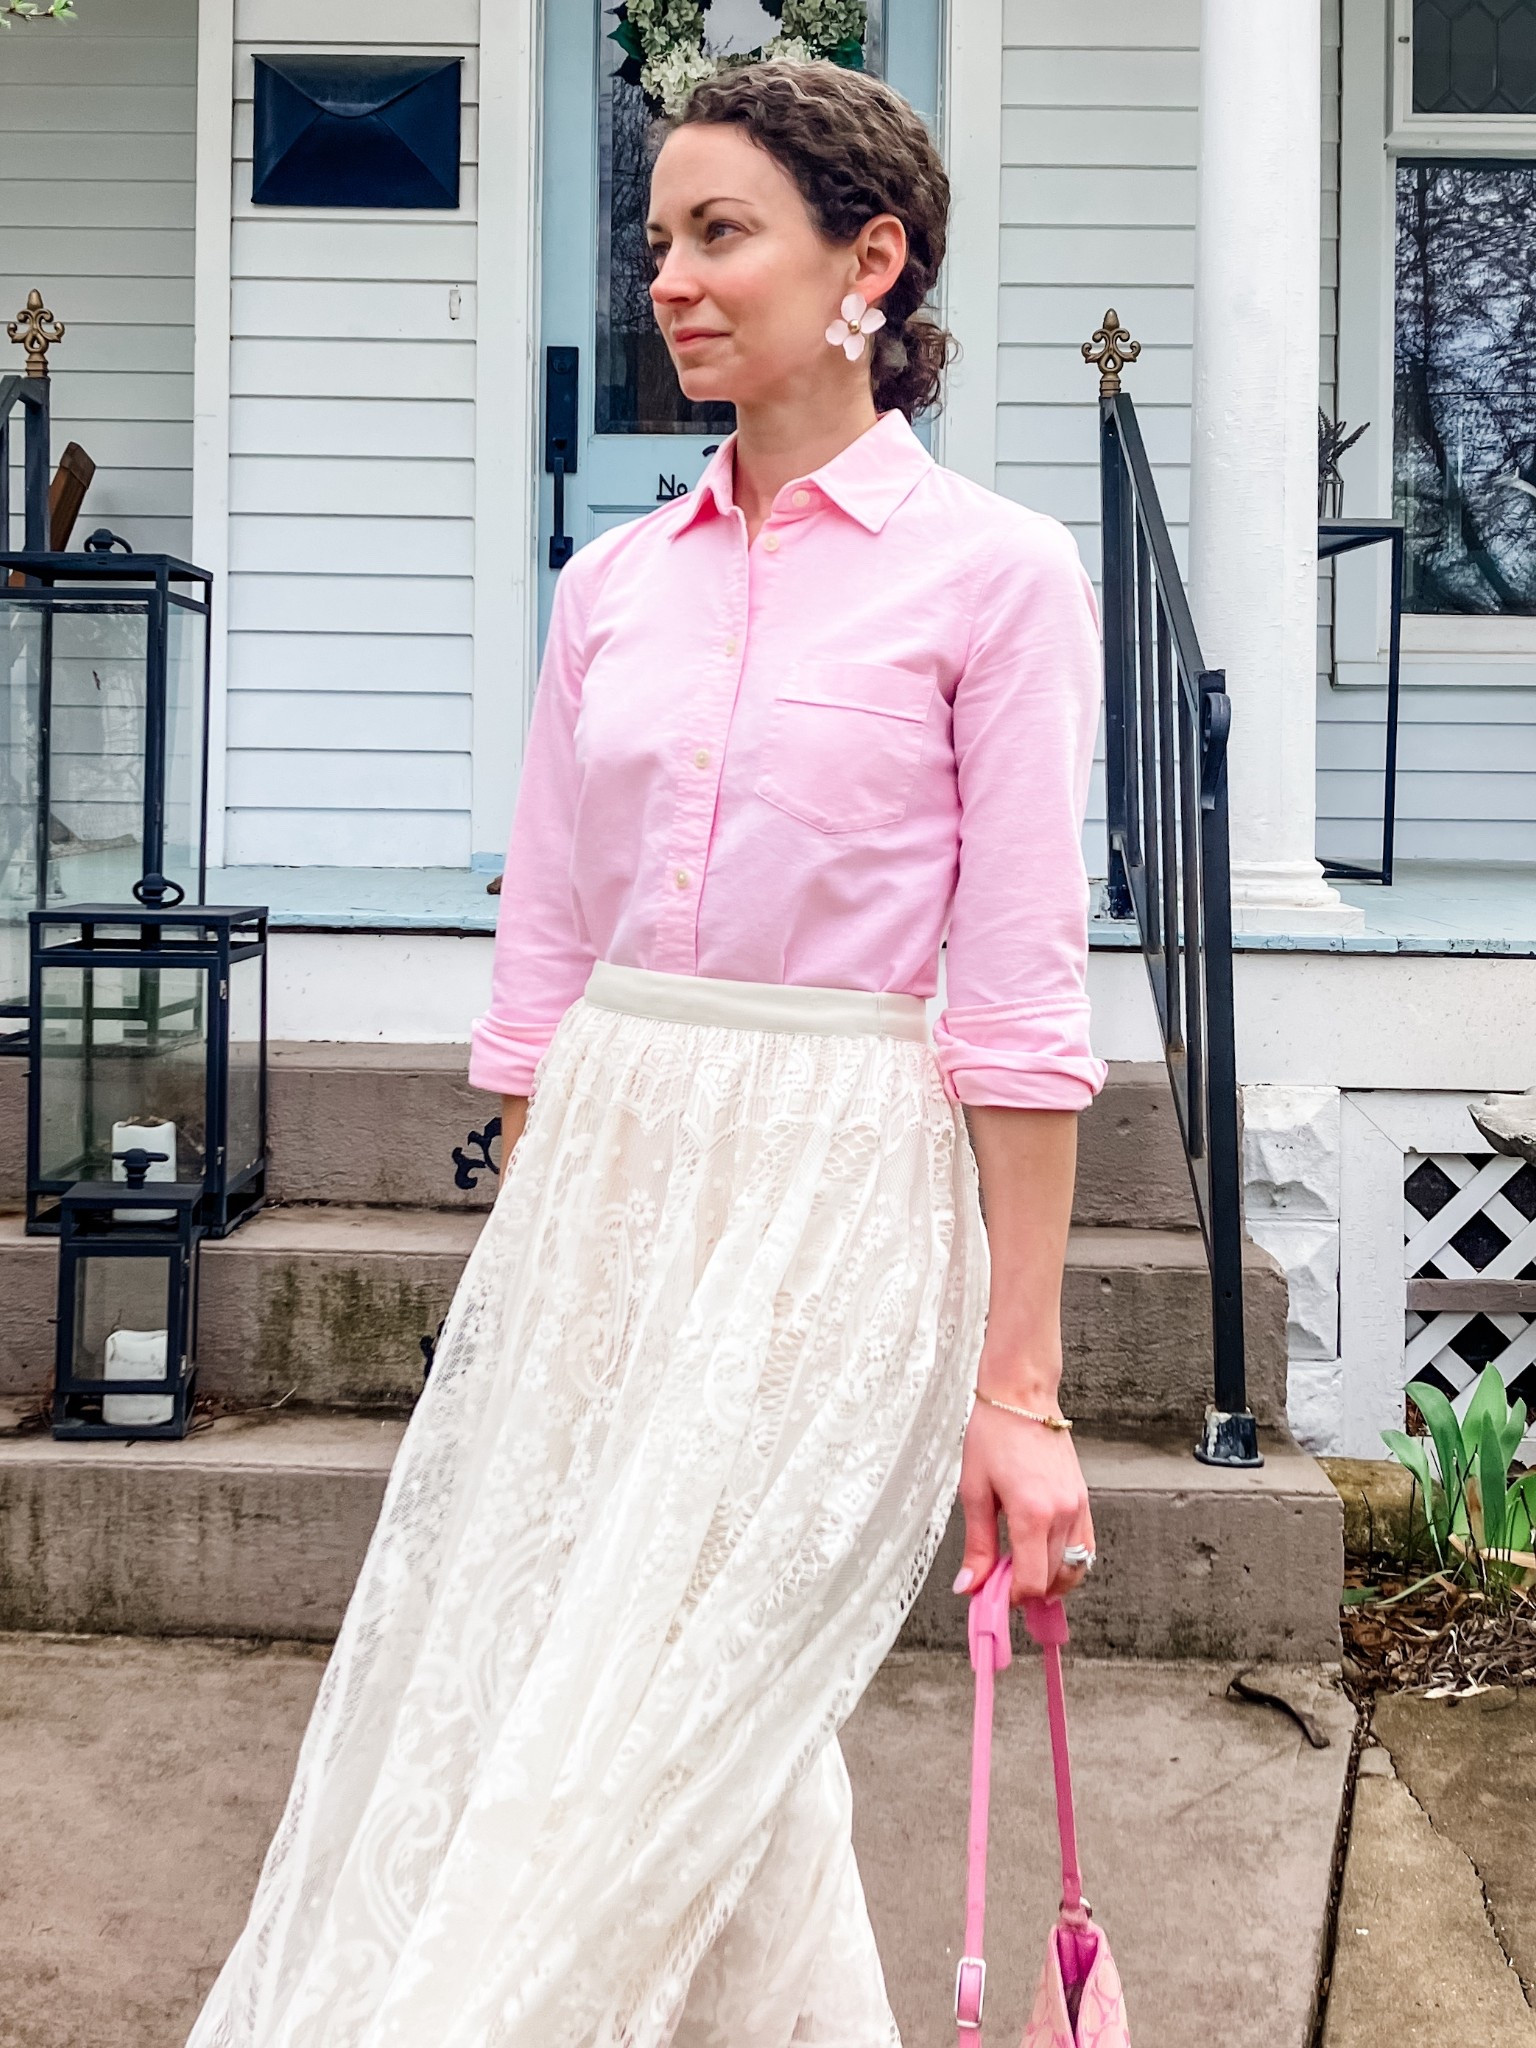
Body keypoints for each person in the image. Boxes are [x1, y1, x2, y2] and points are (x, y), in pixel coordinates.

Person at [185, 58, 1106, 2048]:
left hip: (844, 1185)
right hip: (611, 1160)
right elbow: (542, 943)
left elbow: (1025, 1007)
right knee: (632, 1706)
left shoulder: (1000, 579)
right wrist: (540, 1234)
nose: (668, 278)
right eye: (657, 238)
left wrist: (1017, 1390)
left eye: (719, 233)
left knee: (691, 1696)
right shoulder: (610, 585)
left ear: (871, 263)